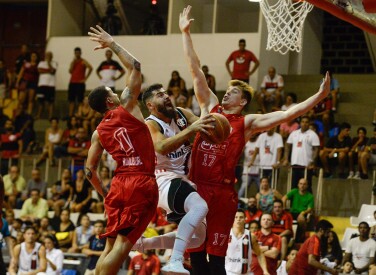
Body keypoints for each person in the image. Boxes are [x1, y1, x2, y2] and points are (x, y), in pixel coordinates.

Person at [179, 5, 331, 274]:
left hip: (223, 193)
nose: (226, 94)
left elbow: (288, 113)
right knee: (195, 255)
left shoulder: (247, 122)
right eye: (226, 91)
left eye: (232, 93)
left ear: (244, 101)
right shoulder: (209, 107)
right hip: (197, 187)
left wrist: (318, 97)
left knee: (215, 258)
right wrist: (185, 33)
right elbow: (195, 70)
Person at [85, 25, 158, 275]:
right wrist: (112, 44)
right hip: (140, 181)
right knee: (123, 247)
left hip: (118, 184)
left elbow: (89, 169)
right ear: (109, 101)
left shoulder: (97, 132)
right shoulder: (126, 105)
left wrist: (103, 192)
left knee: (110, 245)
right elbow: (135, 66)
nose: (117, 93)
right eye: (111, 92)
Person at [138, 83, 211, 274]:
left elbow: (205, 124)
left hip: (183, 179)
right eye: (159, 95)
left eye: (165, 93)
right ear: (151, 105)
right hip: (162, 179)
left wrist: (214, 121)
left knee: (199, 237)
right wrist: (191, 130)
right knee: (200, 207)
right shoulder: (151, 123)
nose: (166, 96)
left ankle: (143, 244)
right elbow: (161, 147)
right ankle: (175, 259)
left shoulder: (181, 113)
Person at [225, 209, 269, 275]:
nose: (238, 219)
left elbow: (259, 253)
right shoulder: (226, 234)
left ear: (245, 219)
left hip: (246, 273)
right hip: (229, 272)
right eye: (236, 217)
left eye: (241, 217)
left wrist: (265, 271)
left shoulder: (251, 236)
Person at [283, 115, 320, 192]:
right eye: (303, 122)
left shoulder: (313, 135)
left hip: (306, 166)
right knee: (293, 187)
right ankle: (293, 204)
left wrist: (312, 161)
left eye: (306, 122)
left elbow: (316, 149)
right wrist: (286, 159)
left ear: (309, 123)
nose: (304, 124)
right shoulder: (294, 133)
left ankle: (309, 204)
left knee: (307, 187)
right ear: (300, 123)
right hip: (294, 165)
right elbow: (287, 146)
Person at [282, 178, 314, 243]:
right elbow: (284, 198)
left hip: (302, 213)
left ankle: (298, 239)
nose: (302, 186)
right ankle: (286, 236)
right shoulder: (294, 191)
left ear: (307, 186)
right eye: (301, 184)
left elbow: (310, 209)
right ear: (298, 185)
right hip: (292, 212)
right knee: (283, 216)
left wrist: (303, 213)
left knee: (301, 219)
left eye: (304, 184)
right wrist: (284, 209)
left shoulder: (310, 196)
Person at [68, 47, 93, 117]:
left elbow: (90, 68)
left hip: (80, 83)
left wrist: (85, 78)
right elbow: (70, 71)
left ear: (80, 53)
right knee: (71, 100)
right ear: (74, 53)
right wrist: (73, 63)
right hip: (72, 82)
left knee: (80, 100)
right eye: (76, 53)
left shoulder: (83, 61)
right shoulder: (73, 62)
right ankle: (70, 115)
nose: (77, 54)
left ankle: (80, 114)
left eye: (78, 53)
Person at [36, 51, 57, 119]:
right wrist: (49, 71)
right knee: (40, 101)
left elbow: (53, 71)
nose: (48, 56)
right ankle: (39, 115)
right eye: (47, 55)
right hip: (42, 85)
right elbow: (39, 71)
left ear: (52, 56)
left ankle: (50, 116)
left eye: (49, 55)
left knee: (50, 102)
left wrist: (48, 64)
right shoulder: (41, 63)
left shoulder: (54, 63)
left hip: (51, 85)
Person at [238, 133, 261, 198]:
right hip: (247, 170)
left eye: (253, 134)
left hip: (258, 170)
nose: (252, 135)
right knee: (243, 188)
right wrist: (242, 149)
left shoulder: (259, 142)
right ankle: (238, 203)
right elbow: (239, 155)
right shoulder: (245, 143)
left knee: (261, 189)